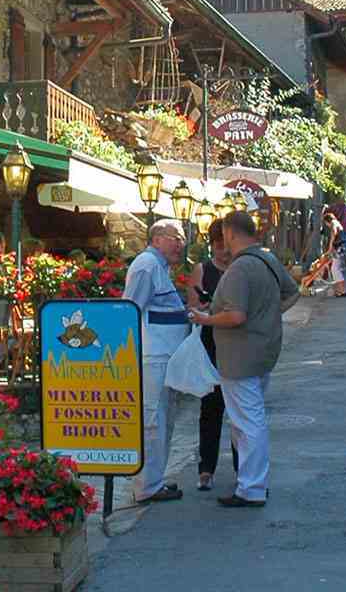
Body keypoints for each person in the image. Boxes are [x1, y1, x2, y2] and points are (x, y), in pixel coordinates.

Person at [190, 211, 299, 507]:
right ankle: (252, 483)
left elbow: (236, 316)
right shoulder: (268, 259)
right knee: (248, 420)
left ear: (229, 233)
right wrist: (269, 317)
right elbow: (293, 291)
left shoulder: (239, 268)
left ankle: (251, 488)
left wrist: (204, 318)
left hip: (239, 356)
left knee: (248, 423)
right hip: (263, 350)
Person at [124, 220, 192, 503]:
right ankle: (147, 486)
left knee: (163, 417)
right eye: (175, 238)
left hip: (165, 354)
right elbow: (130, 308)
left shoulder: (159, 267)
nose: (180, 244)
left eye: (182, 239)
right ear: (157, 238)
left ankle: (155, 480)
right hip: (152, 355)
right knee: (153, 418)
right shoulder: (146, 266)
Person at [193, 219, 238, 491]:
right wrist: (206, 310)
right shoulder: (203, 270)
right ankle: (206, 469)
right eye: (218, 246)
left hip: (236, 346)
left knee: (238, 412)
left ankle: (241, 468)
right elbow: (192, 308)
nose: (223, 252)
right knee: (210, 409)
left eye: (226, 246)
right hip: (210, 346)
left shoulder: (240, 269)